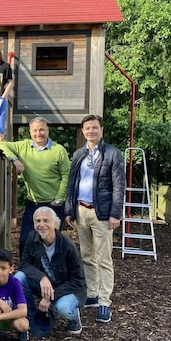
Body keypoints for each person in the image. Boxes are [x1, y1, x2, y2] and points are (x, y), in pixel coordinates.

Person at [64, 114, 125, 324]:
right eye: (87, 128)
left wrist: (115, 214)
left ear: (101, 130)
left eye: (95, 128)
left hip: (102, 213)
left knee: (104, 259)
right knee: (87, 255)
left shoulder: (112, 154)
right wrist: (69, 209)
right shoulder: (79, 154)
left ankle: (105, 303)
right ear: (83, 131)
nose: (91, 131)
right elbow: (71, 184)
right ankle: (92, 293)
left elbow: (119, 187)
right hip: (81, 211)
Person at [0, 117, 70, 255]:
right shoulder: (24, 146)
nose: (38, 133)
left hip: (53, 204)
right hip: (33, 204)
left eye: (41, 129)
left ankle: (49, 274)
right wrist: (15, 160)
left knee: (50, 243)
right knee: (25, 241)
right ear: (30, 132)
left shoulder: (58, 150)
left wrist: (58, 199)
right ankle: (27, 272)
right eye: (35, 130)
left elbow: (66, 175)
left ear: (47, 130)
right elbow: (0, 145)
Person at [14, 207, 86, 338]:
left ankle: (74, 316)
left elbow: (78, 280)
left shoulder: (67, 246)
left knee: (63, 309)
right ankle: (31, 317)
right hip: (44, 284)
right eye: (38, 221)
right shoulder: (32, 238)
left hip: (67, 288)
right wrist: (42, 278)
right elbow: (24, 264)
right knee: (18, 278)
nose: (41, 224)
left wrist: (49, 297)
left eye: (46, 220)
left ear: (55, 224)